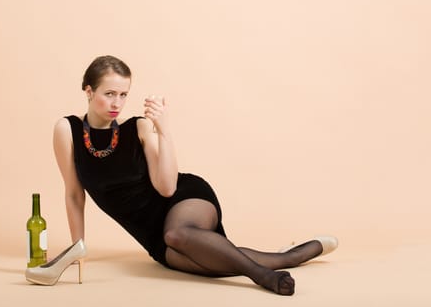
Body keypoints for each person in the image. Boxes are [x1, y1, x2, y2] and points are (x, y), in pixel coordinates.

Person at [25, 55, 338, 295]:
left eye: (123, 94)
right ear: (88, 91)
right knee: (211, 266)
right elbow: (73, 194)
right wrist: (77, 250)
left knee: (177, 235)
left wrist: (164, 131)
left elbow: (166, 187)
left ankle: (263, 277)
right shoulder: (67, 130)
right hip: (152, 235)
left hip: (185, 200)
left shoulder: (140, 127)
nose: (117, 103)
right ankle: (289, 256)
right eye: (109, 94)